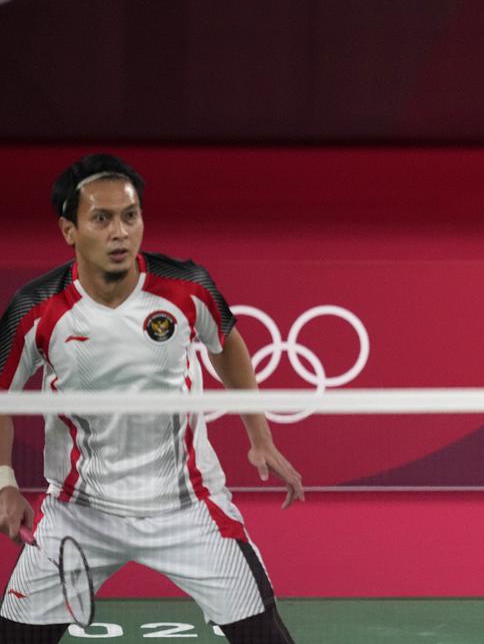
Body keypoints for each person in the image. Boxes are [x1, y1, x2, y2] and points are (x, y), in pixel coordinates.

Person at [0, 155, 304, 643]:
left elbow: (227, 344)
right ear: (69, 230)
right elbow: (3, 399)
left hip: (187, 506)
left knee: (265, 635)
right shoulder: (35, 309)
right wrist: (5, 483)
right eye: (101, 219)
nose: (120, 232)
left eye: (130, 215)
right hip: (80, 510)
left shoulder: (186, 286)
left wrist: (259, 435)